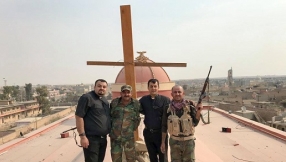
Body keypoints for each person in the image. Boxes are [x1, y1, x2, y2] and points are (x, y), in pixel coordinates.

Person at [160, 85, 202, 162]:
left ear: (183, 93)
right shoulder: (167, 108)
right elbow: (164, 126)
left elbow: (195, 123)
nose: (177, 94)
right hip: (174, 141)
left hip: (188, 142)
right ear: (172, 94)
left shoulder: (190, 106)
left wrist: (198, 111)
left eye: (179, 92)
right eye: (175, 92)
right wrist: (163, 142)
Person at [75, 79, 111, 162]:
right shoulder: (87, 98)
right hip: (91, 140)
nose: (102, 88)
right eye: (99, 86)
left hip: (103, 139)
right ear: (94, 87)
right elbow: (79, 116)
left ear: (106, 89)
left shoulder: (104, 100)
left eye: (104, 87)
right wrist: (82, 136)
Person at [139, 79, 170, 162]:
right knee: (152, 157)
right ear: (148, 88)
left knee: (163, 157)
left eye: (155, 86)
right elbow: (136, 109)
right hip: (148, 133)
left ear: (158, 87)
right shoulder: (143, 100)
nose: (153, 88)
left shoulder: (165, 100)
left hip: (161, 134)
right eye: (151, 86)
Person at [109, 85, 141, 162]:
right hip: (116, 138)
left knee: (131, 159)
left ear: (131, 93)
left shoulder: (136, 104)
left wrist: (131, 129)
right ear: (121, 93)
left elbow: (137, 118)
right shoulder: (114, 103)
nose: (126, 94)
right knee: (116, 159)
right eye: (124, 92)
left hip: (129, 138)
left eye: (128, 92)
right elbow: (110, 117)